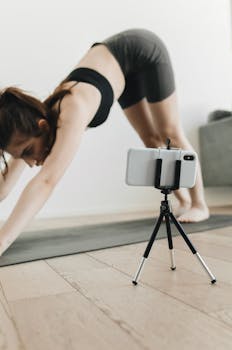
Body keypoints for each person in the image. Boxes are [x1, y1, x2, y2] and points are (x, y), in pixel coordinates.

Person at [0, 29, 209, 255]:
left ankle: (199, 204)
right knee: (151, 140)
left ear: (42, 126)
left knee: (170, 133)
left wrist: (2, 242)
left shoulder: (72, 108)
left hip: (141, 51)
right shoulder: (32, 125)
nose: (29, 162)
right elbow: (5, 183)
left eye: (28, 152)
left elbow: (46, 181)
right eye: (21, 156)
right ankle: (183, 202)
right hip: (120, 72)